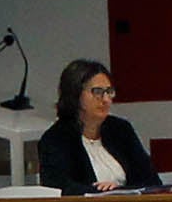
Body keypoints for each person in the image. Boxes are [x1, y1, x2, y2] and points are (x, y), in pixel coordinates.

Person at [32, 60, 161, 195]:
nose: (106, 99)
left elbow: (153, 182)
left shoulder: (121, 130)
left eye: (109, 91)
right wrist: (102, 193)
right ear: (75, 95)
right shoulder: (56, 139)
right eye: (97, 91)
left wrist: (118, 190)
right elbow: (59, 189)